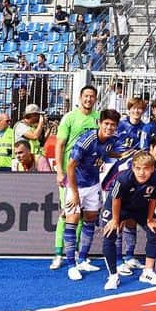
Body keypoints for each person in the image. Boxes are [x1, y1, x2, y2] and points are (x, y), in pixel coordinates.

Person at [63, 110, 122, 282]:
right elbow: (70, 166)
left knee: (90, 219)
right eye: (106, 124)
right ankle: (71, 265)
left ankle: (82, 259)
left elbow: (110, 152)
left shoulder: (112, 141)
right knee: (72, 221)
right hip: (76, 186)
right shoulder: (86, 140)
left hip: (94, 184)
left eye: (112, 125)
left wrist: (124, 155)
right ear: (99, 123)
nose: (109, 127)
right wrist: (74, 193)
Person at [49, 86, 100, 271]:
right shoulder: (70, 118)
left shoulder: (97, 118)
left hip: (88, 176)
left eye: (92, 96)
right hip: (70, 173)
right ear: (80, 97)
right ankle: (58, 254)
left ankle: (78, 255)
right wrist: (59, 171)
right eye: (86, 96)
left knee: (82, 215)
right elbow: (60, 144)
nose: (89, 99)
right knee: (67, 214)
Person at [101, 151, 156, 289]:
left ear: (152, 168)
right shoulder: (123, 179)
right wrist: (115, 219)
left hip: (139, 206)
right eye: (138, 168)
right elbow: (116, 199)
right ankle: (113, 276)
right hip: (118, 207)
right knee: (109, 234)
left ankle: (148, 272)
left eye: (146, 168)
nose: (141, 172)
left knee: (155, 231)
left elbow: (153, 199)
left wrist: (149, 219)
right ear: (132, 167)